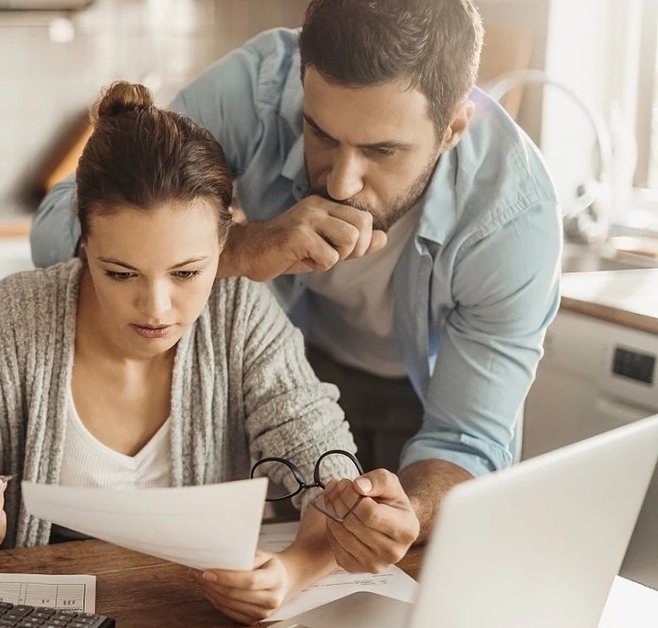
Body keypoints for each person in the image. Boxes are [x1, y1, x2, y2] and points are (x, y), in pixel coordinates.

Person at [0, 81, 417, 624]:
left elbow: (330, 482)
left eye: (187, 273)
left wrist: (293, 571)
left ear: (225, 244)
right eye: (120, 273)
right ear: (83, 242)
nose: (156, 307)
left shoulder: (240, 312)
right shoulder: (17, 319)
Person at [31, 0, 561, 575]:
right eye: (321, 134)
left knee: (411, 576)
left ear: (454, 126)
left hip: (420, 397)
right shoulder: (255, 91)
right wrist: (240, 248)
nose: (341, 179)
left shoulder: (512, 219)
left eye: (382, 151)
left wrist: (412, 510)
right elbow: (59, 224)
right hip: (273, 388)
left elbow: (466, 440)